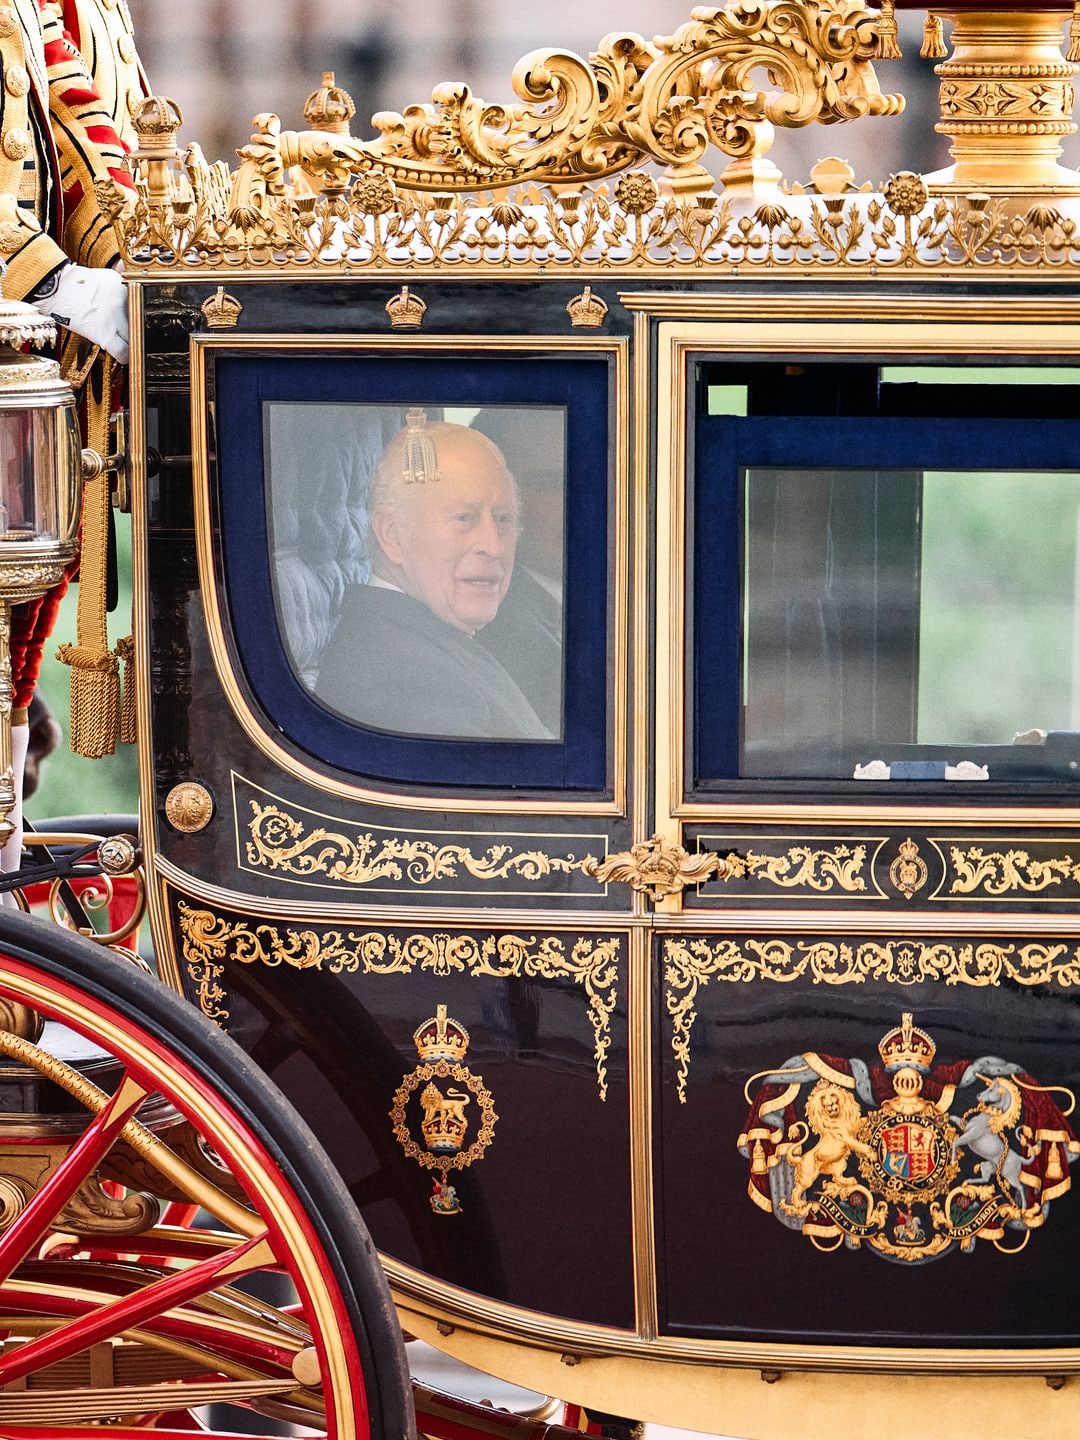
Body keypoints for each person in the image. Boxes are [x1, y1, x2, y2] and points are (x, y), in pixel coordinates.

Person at [315, 418, 557, 741]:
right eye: (464, 518)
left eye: (503, 519)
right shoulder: (407, 680)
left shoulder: (423, 643)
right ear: (392, 535)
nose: (493, 546)